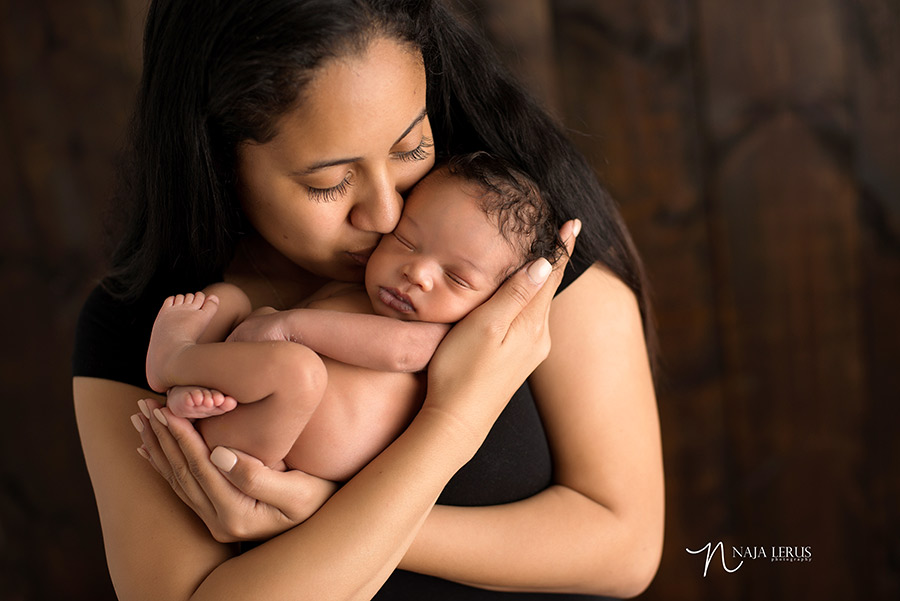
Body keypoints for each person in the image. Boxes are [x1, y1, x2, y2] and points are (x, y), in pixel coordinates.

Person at [72, 1, 664, 599]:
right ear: (216, 159)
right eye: (329, 183)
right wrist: (444, 431)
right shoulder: (154, 323)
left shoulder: (505, 244)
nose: (385, 213)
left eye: (410, 149)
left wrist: (332, 511)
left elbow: (624, 547)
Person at [144, 153, 566, 483]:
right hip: (248, 397)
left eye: (456, 277)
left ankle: (174, 361)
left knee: (300, 372)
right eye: (405, 240)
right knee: (228, 300)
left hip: (267, 447)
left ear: (496, 301)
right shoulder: (352, 291)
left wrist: (287, 326)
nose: (416, 273)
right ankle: (196, 384)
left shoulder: (431, 339)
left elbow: (396, 354)